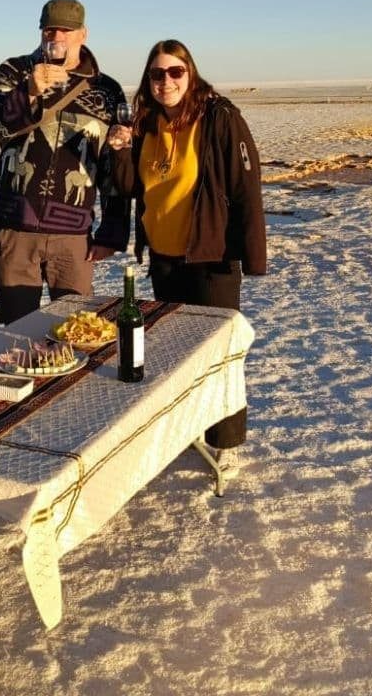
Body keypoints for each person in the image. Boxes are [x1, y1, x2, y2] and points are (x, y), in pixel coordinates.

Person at [106, 39, 266, 462]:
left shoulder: (219, 117)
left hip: (210, 257)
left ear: (190, 73)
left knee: (218, 355)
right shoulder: (146, 123)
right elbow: (128, 188)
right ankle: (187, 433)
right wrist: (119, 151)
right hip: (164, 258)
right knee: (176, 355)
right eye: (157, 74)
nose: (166, 81)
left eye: (175, 71)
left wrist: (252, 256)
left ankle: (225, 444)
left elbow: (246, 188)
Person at [0, 0, 130, 325]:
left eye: (66, 30)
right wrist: (28, 92)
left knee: (77, 329)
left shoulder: (107, 90)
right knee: (18, 332)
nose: (56, 37)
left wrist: (113, 230)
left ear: (83, 34)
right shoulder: (14, 71)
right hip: (16, 229)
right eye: (50, 29)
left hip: (73, 235)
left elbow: (112, 167)